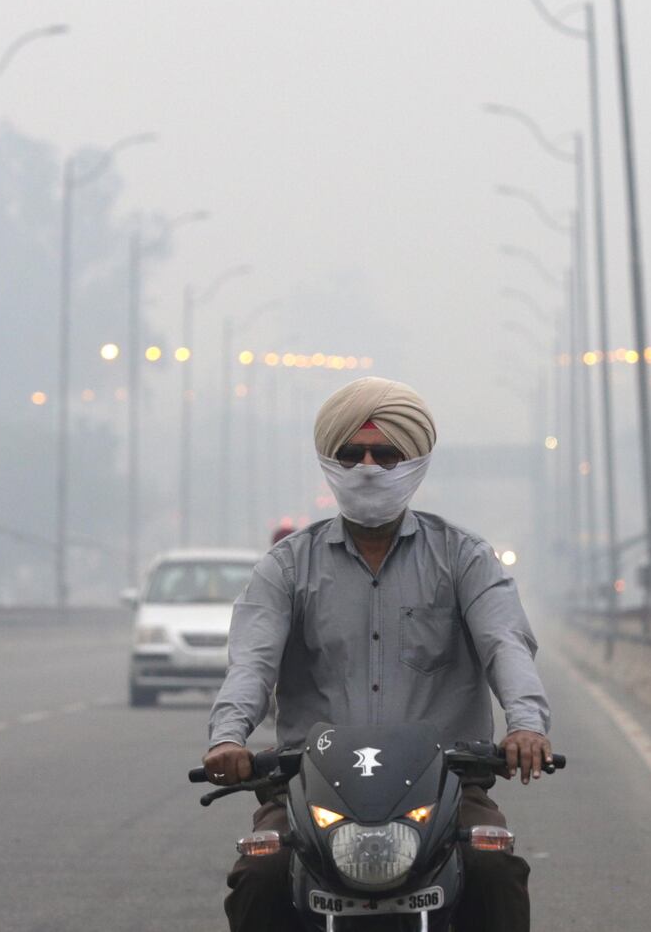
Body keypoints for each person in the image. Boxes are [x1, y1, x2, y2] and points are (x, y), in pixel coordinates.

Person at [204, 376, 551, 931]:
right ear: (329, 461)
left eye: (386, 454)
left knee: (495, 870)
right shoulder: (287, 566)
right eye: (352, 453)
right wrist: (228, 738)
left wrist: (525, 726)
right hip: (308, 788)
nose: (368, 466)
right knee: (260, 878)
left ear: (415, 462)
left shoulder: (464, 557)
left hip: (444, 789)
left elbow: (505, 642)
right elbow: (252, 661)